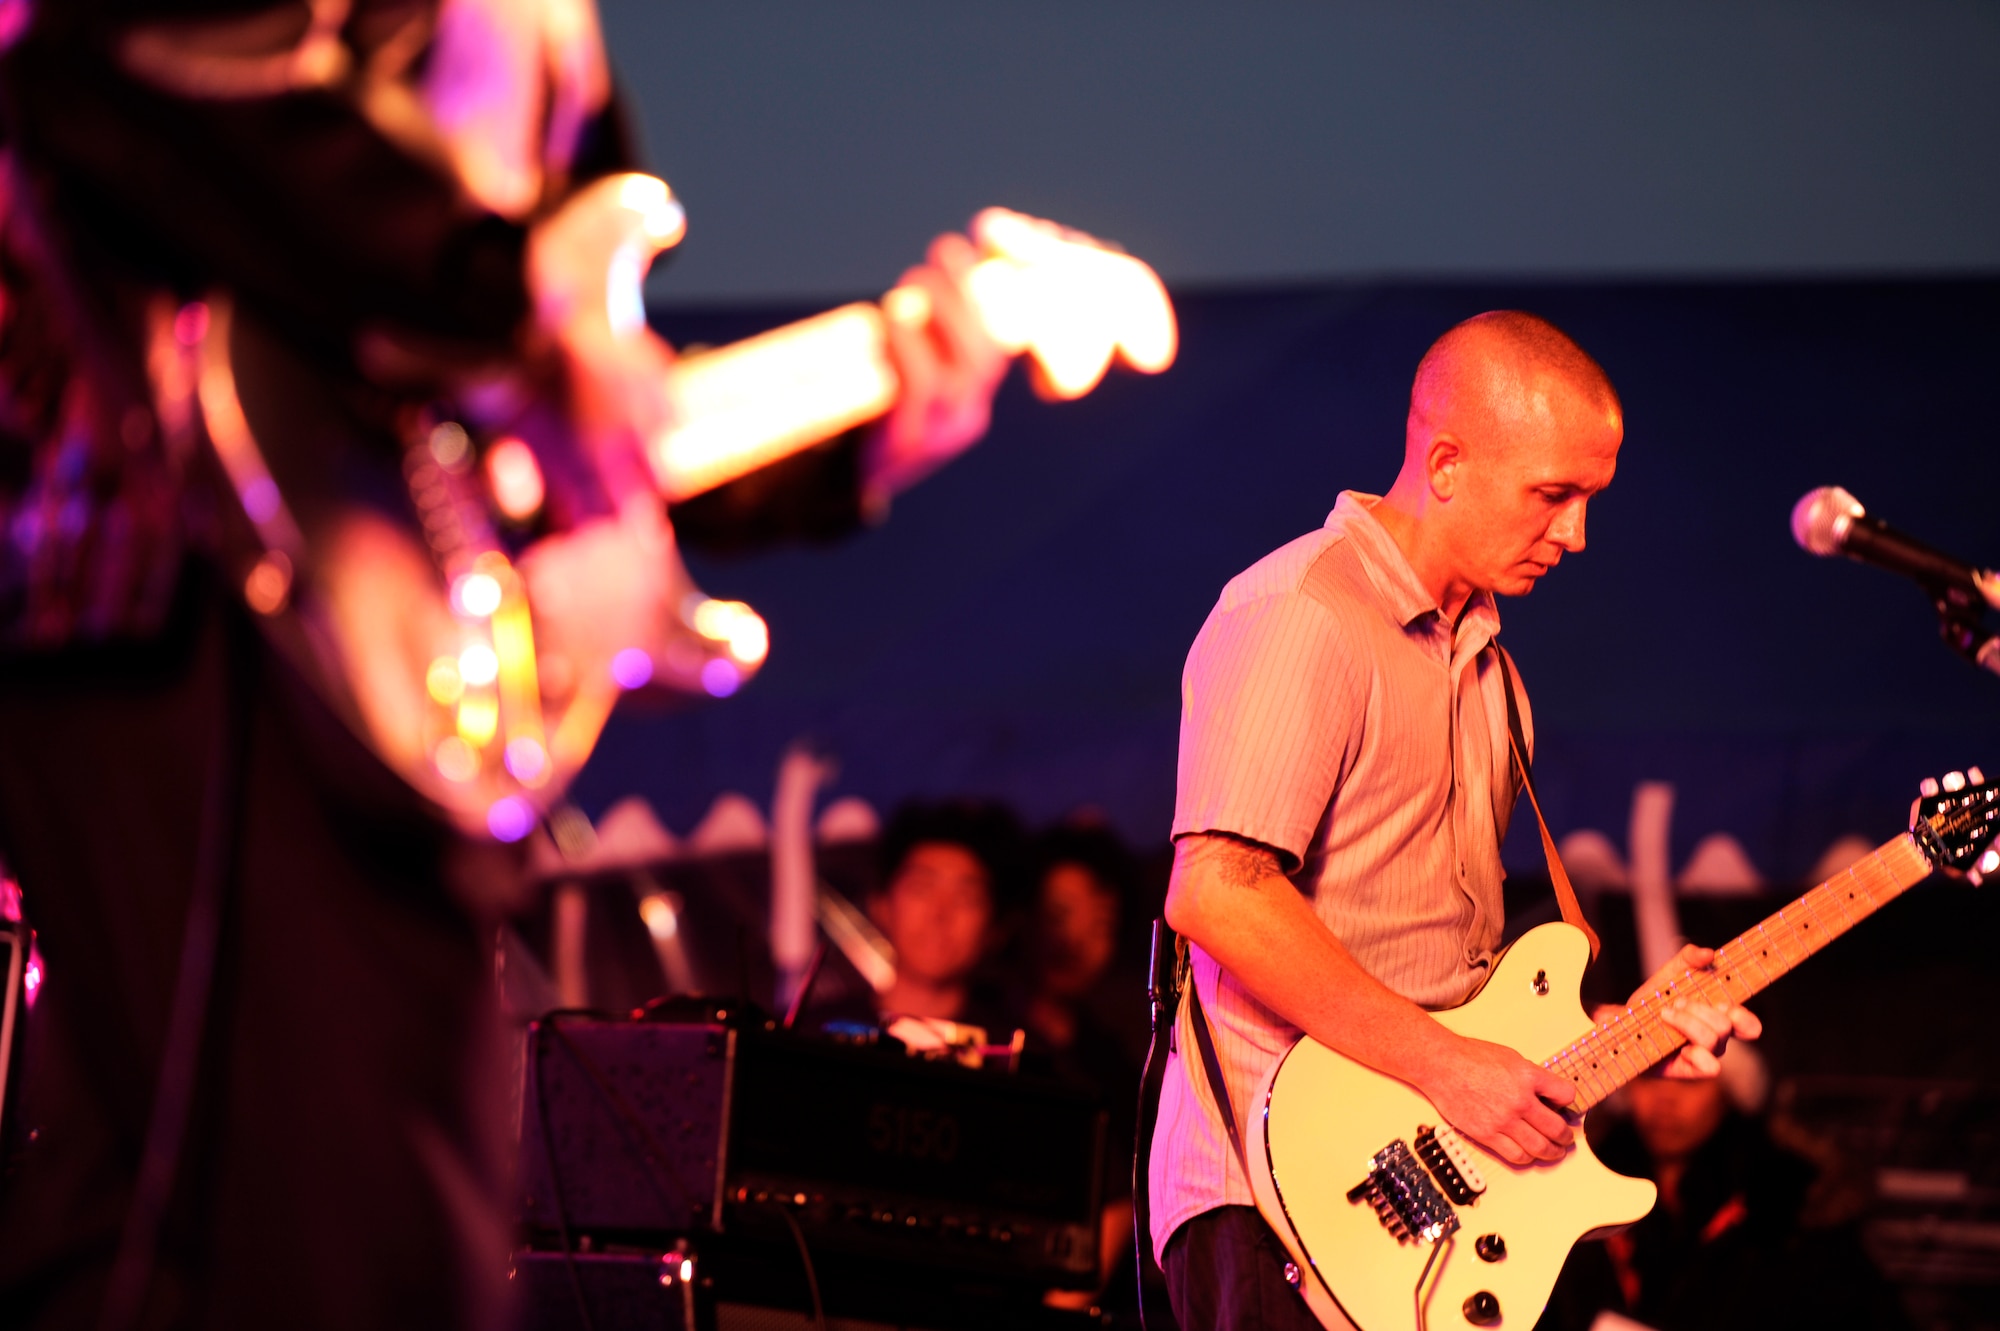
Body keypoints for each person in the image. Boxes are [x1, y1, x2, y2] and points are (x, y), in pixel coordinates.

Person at [0, 4, 1009, 1328]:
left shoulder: (552, 42)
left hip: (377, 680)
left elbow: (580, 422)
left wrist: (872, 428)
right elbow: (117, 74)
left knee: (157, 1243)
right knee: (362, 1252)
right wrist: (500, 297)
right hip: (182, 595)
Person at [1148, 311, 1763, 1331]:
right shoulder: (1301, 611)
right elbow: (1216, 893)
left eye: (1586, 500)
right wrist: (1446, 1068)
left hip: (1415, 1203)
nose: (1574, 533)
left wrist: (1622, 1038)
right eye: (1551, 495)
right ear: (1442, 465)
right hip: (1271, 1195)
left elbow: (1455, 1000)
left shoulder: (1492, 670)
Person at [1535, 1072, 1909, 1331]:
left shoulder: (1794, 1207)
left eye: (1690, 1080)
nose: (1666, 1097)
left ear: (1730, 1090)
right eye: (1649, 1075)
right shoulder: (1569, 1191)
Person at [854, 799, 1030, 1038]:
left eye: (966, 898)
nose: (940, 914)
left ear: (995, 928)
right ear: (881, 905)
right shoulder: (813, 1037)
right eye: (922, 889)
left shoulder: (1013, 1056)